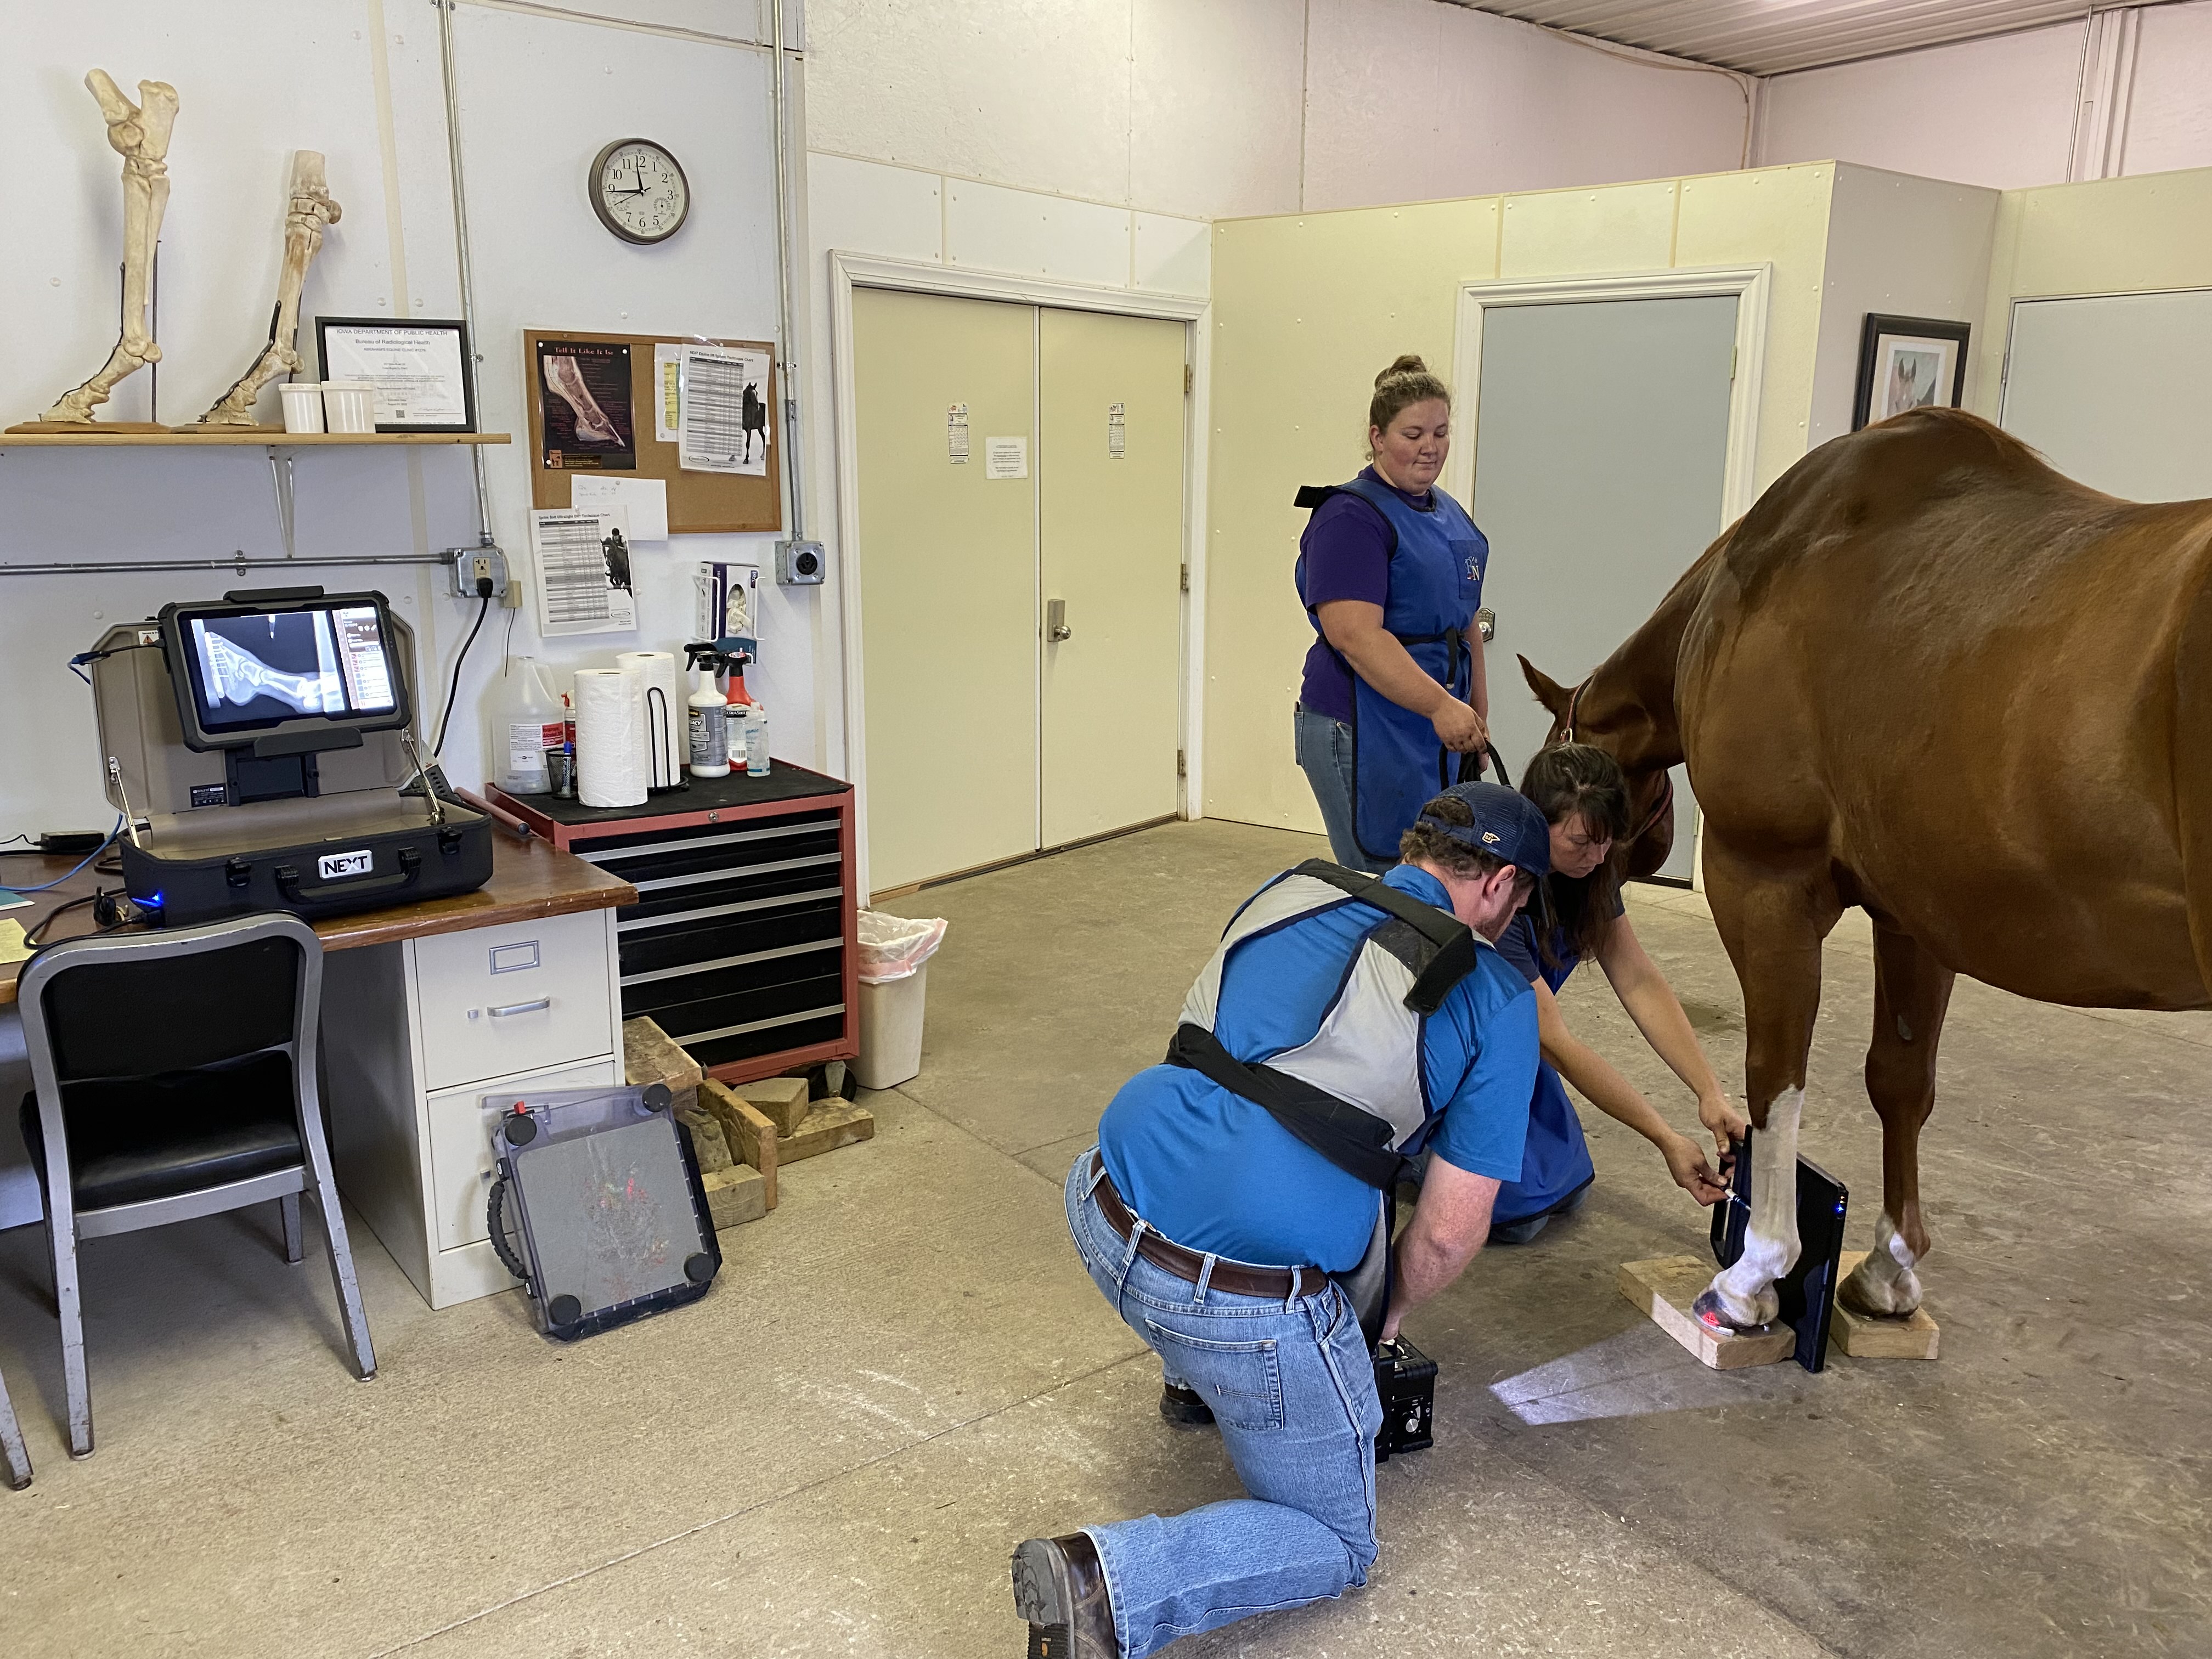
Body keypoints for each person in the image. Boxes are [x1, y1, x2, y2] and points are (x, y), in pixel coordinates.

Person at [1009, 783, 1550, 1659]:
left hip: (1102, 1204)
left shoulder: (1290, 885)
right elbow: (1450, 1232)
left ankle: (1195, 1379)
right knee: (1338, 1543)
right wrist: (1381, 1322)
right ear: (1499, 884)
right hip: (1235, 1307)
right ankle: (1108, 1584)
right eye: (1520, 900)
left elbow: (1209, 1052)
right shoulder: (1494, 996)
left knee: (1250, 1154)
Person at [1486, 744, 1748, 1243]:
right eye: (1581, 842)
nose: (1597, 857)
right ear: (1537, 823)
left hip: (1519, 1044)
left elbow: (1638, 979)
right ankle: (1417, 1146)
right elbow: (1555, 1043)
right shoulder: (1502, 896)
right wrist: (1664, 1138)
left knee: (1565, 1193)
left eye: (1607, 843)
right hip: (1454, 1051)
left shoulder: (1590, 875)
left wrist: (1709, 1092)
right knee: (1518, 1221)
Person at [1293, 355, 1492, 874]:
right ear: (1378, 437)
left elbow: (1465, 621)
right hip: (1363, 723)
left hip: (1433, 724)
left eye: (1441, 433)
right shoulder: (1350, 516)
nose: (1431, 447)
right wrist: (1441, 707)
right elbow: (1355, 636)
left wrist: (1476, 713)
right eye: (1414, 434)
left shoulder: (1447, 512)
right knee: (1388, 879)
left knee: (1438, 875)